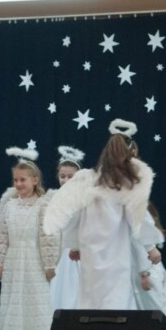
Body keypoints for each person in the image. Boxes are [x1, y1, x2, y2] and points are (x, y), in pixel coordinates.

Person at [43, 120, 153, 311]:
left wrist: (75, 244)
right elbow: (137, 217)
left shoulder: (89, 180)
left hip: (92, 255)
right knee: (115, 304)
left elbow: (75, 217)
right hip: (115, 255)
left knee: (92, 304)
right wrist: (150, 248)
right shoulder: (126, 185)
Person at [0, 149, 59, 330]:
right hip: (13, 262)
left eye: (23, 180)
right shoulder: (9, 206)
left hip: (34, 261)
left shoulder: (43, 205)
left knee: (37, 306)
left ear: (35, 180)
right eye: (16, 180)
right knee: (14, 308)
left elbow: (48, 236)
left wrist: (50, 264)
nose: (19, 184)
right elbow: (1, 236)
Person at [50, 147, 83, 311]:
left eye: (71, 177)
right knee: (59, 291)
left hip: (79, 252)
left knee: (76, 291)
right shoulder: (54, 198)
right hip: (60, 253)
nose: (65, 180)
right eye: (62, 176)